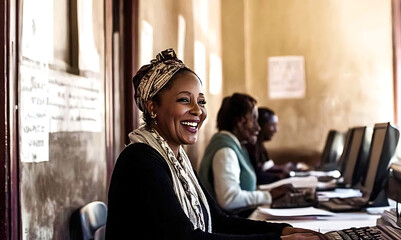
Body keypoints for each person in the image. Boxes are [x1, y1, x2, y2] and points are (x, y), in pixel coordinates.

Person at [105, 48, 325, 240]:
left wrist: (283, 231)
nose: (197, 110)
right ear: (152, 107)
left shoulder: (177, 160)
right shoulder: (140, 160)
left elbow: (218, 220)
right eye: (184, 100)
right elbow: (184, 238)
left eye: (201, 101)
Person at [199, 94, 290, 215]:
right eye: (254, 120)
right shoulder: (226, 151)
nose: (258, 127)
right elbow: (229, 199)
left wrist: (272, 191)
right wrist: (267, 195)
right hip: (228, 227)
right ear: (240, 122)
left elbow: (244, 188)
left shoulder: (234, 144)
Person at [246, 107, 293, 185]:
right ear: (261, 125)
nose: (276, 130)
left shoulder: (259, 145)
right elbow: (258, 176)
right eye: (272, 125)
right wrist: (280, 176)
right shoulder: (251, 147)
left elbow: (265, 167)